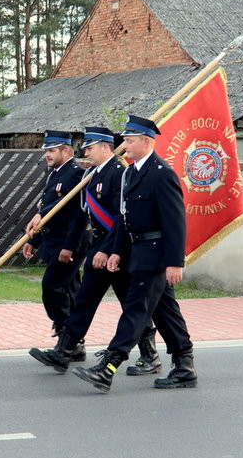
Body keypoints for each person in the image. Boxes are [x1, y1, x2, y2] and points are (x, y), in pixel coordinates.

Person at [72, 115, 197, 393]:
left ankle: (108, 367)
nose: (124, 145)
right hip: (137, 252)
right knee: (165, 312)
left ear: (146, 141)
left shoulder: (162, 173)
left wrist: (176, 262)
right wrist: (116, 251)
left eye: (129, 140)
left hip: (156, 255)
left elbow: (175, 222)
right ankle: (185, 366)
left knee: (135, 310)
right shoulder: (130, 172)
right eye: (124, 140)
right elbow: (124, 219)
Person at [28, 127, 160, 375]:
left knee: (130, 305)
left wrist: (111, 251)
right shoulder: (92, 174)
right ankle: (65, 351)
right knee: (84, 302)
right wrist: (41, 216)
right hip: (98, 247)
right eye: (85, 147)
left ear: (105, 147)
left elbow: (122, 217)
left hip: (117, 250)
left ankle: (150, 355)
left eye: (90, 147)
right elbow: (79, 212)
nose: (85, 152)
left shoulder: (119, 173)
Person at [22, 131, 88, 357]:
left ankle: (66, 340)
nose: (47, 155)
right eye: (46, 151)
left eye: (51, 151)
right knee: (70, 291)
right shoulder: (55, 174)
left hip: (68, 243)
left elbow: (78, 216)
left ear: (66, 151)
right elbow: (46, 213)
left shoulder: (77, 175)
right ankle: (74, 345)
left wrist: (69, 247)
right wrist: (34, 240)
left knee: (51, 288)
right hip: (53, 241)